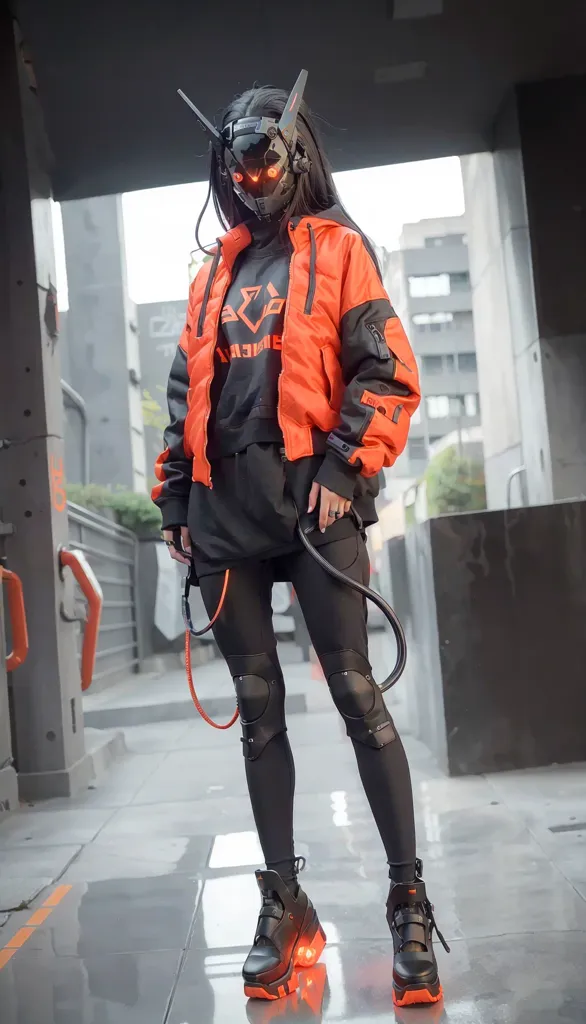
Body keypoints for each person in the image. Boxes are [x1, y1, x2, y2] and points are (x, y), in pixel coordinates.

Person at [152, 70, 448, 1008]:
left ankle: (407, 903)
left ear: (294, 153)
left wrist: (343, 469)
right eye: (238, 163)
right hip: (225, 522)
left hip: (315, 510)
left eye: (267, 157)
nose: (253, 175)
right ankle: (286, 905)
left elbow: (388, 371)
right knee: (258, 709)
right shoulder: (210, 276)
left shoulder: (342, 251)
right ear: (227, 167)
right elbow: (177, 407)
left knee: (358, 696)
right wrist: (173, 510)